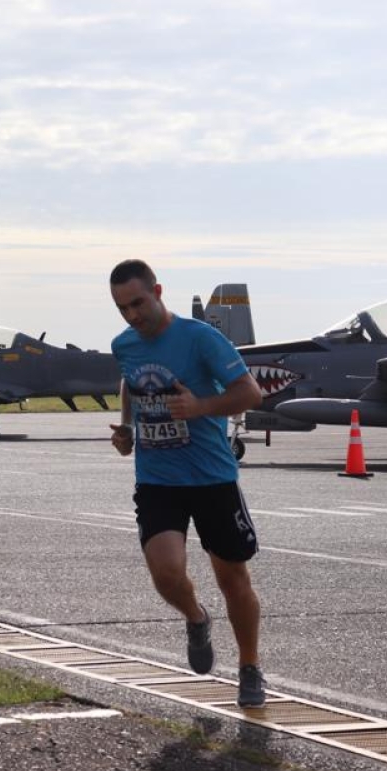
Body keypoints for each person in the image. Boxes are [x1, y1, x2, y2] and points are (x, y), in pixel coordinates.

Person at [108, 259, 267, 708]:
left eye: (138, 303)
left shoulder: (201, 338)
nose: (132, 316)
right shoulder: (124, 344)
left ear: (157, 290)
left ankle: (250, 666)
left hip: (212, 476)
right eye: (122, 308)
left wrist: (200, 408)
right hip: (158, 478)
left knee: (232, 578)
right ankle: (197, 618)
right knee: (166, 574)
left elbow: (250, 393)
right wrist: (127, 428)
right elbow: (130, 381)